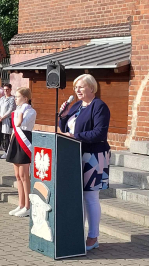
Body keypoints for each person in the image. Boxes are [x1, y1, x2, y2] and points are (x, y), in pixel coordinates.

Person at [59, 74, 110, 251]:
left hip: (94, 156)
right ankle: (76, 233)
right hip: (75, 154)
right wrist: (64, 116)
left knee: (90, 196)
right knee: (78, 196)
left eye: (81, 87)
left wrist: (74, 137)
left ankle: (93, 237)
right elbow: (64, 129)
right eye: (75, 88)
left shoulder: (99, 106)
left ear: (91, 88)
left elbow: (99, 133)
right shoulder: (76, 106)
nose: (77, 90)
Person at [6, 87, 36, 217]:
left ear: (25, 98)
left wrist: (22, 110)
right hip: (16, 141)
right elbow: (14, 129)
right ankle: (21, 204)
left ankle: (28, 206)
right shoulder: (17, 110)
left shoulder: (30, 111)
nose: (15, 99)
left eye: (17, 97)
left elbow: (19, 124)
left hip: (25, 141)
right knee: (17, 175)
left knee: (24, 176)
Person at [0, 83, 16, 159]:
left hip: (6, 119)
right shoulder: (1, 99)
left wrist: (3, 117)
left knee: (6, 136)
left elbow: (10, 109)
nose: (6, 91)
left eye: (7, 89)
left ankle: (6, 151)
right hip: (0, 119)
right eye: (4, 90)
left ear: (10, 90)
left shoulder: (12, 99)